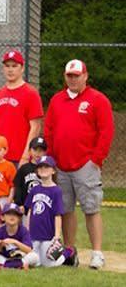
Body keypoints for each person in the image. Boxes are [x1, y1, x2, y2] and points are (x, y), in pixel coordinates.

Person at [43, 59, 114, 270]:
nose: (73, 79)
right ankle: (70, 251)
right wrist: (51, 159)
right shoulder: (57, 100)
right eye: (69, 76)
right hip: (61, 165)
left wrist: (96, 160)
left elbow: (106, 132)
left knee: (91, 208)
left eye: (76, 75)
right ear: (65, 77)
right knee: (65, 210)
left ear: (85, 76)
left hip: (86, 165)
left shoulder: (98, 100)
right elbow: (49, 130)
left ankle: (97, 253)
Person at [0, 50, 44, 165]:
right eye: (7, 66)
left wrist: (26, 156)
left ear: (22, 68)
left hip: (19, 158)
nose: (10, 69)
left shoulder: (31, 94)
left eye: (14, 66)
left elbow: (35, 127)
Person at [25, 156, 75, 268]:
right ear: (37, 171)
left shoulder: (56, 191)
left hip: (48, 235)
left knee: (48, 264)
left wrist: (56, 237)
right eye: (40, 167)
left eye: (47, 167)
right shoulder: (34, 190)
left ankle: (68, 253)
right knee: (35, 262)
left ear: (53, 170)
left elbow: (58, 215)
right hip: (34, 234)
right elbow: (30, 211)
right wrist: (27, 230)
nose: (43, 169)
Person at [0, 203, 39, 269]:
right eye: (9, 214)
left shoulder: (23, 230)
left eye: (15, 214)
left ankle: (3, 265)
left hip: (19, 257)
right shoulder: (0, 230)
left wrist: (15, 242)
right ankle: (17, 265)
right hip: (4, 257)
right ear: (2, 217)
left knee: (35, 257)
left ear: (19, 218)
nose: (12, 216)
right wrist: (0, 245)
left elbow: (29, 250)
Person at [13, 137, 47, 207]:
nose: (37, 153)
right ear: (29, 151)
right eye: (35, 150)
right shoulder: (24, 168)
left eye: (40, 150)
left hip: (42, 205)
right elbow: (18, 186)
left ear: (45, 152)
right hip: (25, 206)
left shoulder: (47, 169)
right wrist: (19, 203)